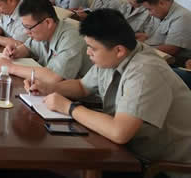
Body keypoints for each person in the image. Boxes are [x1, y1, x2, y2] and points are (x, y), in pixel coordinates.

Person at [26, 9, 191, 168]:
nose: (88, 53)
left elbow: (119, 132)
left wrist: (69, 108)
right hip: (127, 150)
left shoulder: (144, 71)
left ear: (119, 50)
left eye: (93, 48)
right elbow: (82, 86)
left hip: (161, 166)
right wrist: (49, 88)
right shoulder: (113, 56)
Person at [0, 0, 91, 82]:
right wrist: (15, 52)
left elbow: (54, 77)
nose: (26, 32)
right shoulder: (43, 32)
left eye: (29, 27)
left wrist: (10, 67)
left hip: (78, 97)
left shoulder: (71, 38)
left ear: (48, 22)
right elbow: (28, 48)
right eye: (24, 27)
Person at [136, 0, 191, 67]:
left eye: (149, 9)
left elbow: (171, 49)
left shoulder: (182, 17)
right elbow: (148, 35)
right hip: (152, 54)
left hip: (172, 62)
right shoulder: (159, 13)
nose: (149, 13)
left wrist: (140, 50)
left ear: (161, 3)